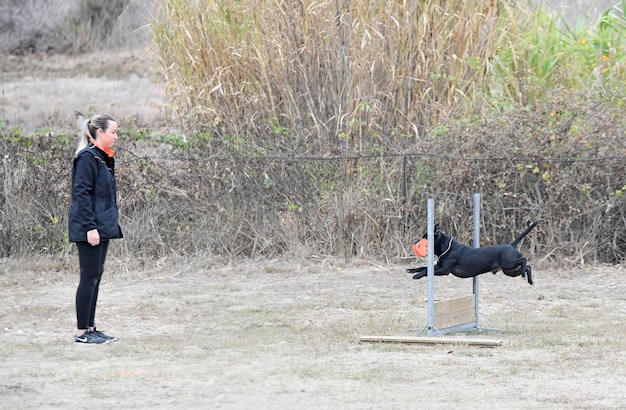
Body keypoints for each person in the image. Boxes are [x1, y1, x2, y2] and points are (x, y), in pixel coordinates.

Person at [68, 114, 123, 344]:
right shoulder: (87, 158)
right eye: (113, 132)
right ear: (99, 132)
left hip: (102, 226)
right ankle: (82, 333)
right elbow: (81, 195)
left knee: (96, 277)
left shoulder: (103, 158)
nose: (116, 137)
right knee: (88, 277)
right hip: (89, 227)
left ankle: (91, 328)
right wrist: (90, 228)